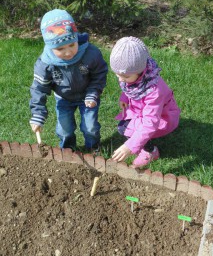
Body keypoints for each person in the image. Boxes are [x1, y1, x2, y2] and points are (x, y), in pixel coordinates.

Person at [29, 9, 108, 152]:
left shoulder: (90, 53)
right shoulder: (45, 64)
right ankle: (68, 151)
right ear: (50, 46)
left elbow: (100, 74)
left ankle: (93, 148)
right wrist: (38, 113)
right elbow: (38, 89)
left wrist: (93, 92)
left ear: (76, 38)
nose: (68, 52)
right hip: (63, 99)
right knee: (64, 129)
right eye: (60, 48)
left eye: (72, 45)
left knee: (90, 127)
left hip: (88, 97)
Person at [110, 36, 180, 168]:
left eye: (124, 76)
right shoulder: (135, 77)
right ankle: (142, 143)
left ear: (140, 71)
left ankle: (150, 151)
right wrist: (124, 97)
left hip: (161, 118)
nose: (120, 79)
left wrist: (129, 146)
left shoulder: (154, 91)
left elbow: (150, 123)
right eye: (117, 74)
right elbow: (129, 88)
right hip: (141, 112)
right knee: (123, 128)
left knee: (128, 129)